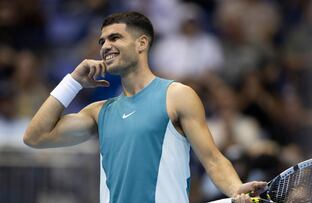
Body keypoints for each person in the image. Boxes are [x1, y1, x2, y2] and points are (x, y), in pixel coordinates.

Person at [23, 12, 266, 203]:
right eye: (102, 41)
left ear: (141, 43)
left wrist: (235, 188)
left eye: (115, 37)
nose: (105, 46)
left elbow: (212, 158)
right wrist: (72, 82)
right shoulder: (99, 111)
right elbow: (35, 136)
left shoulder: (177, 95)